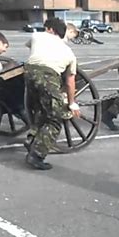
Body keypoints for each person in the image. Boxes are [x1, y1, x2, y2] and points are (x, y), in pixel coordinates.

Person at [23, 17, 80, 170]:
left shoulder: (37, 36)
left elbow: (31, 49)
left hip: (29, 74)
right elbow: (69, 82)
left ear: (50, 29)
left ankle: (32, 139)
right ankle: (36, 155)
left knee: (41, 111)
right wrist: (72, 102)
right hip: (48, 77)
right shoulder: (69, 53)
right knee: (55, 119)